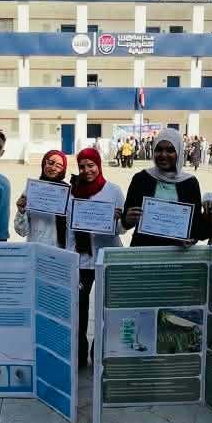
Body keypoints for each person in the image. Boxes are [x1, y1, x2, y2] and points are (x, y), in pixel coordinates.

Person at [66, 147, 124, 369]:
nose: (86, 170)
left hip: (105, 259)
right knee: (79, 309)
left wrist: (117, 220)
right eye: (82, 166)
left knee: (105, 309)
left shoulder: (113, 191)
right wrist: (71, 258)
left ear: (99, 165)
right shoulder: (72, 193)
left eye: (91, 165)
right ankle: (80, 354)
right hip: (81, 261)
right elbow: (70, 230)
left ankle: (99, 351)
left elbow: (121, 229)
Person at [121, 126, 206, 248]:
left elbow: (195, 223)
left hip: (177, 252)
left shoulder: (190, 183)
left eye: (170, 150)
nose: (163, 155)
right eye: (159, 149)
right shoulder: (141, 179)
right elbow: (126, 222)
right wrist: (128, 219)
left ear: (179, 152)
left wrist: (193, 237)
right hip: (143, 250)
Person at [14, 149, 68, 245]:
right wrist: (21, 212)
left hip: (59, 251)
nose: (53, 168)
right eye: (50, 163)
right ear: (44, 163)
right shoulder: (31, 190)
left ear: (63, 169)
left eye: (58, 166)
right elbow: (22, 231)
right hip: (36, 249)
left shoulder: (68, 194)